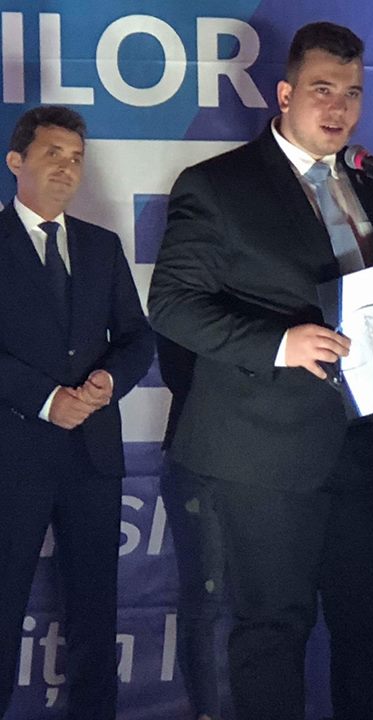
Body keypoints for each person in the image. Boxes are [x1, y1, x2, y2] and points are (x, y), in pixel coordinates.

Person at [148, 21, 373, 720]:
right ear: (284, 95)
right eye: (322, 89)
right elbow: (172, 305)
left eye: (352, 93)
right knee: (271, 634)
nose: (338, 107)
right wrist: (281, 343)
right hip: (266, 453)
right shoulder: (217, 185)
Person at [0, 105, 154, 720]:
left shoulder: (101, 246)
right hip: (14, 457)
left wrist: (106, 382)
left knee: (95, 611)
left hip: (92, 455)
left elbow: (138, 339)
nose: (67, 167)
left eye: (76, 158)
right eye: (52, 154)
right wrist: (46, 399)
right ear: (16, 161)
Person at [156, 334, 225, 720]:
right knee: (205, 596)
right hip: (196, 454)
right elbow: (180, 375)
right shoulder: (184, 298)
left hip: (276, 459)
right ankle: (206, 713)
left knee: (270, 604)